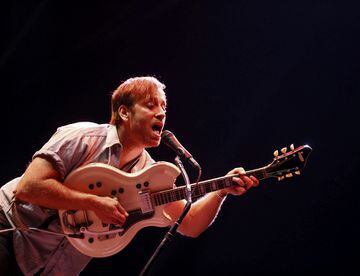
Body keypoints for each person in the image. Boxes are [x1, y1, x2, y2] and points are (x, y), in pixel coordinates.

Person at [0, 76, 259, 275]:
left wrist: (221, 190)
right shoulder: (84, 137)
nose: (161, 113)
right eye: (150, 105)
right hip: (9, 233)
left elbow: (189, 221)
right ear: (124, 112)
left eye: (164, 108)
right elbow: (29, 187)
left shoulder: (148, 173)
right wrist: (93, 203)